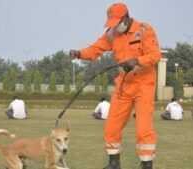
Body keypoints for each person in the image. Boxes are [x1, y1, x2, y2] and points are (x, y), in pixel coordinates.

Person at [69, 2, 161, 169]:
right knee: (111, 125)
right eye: (112, 23)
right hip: (124, 85)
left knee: (143, 127)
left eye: (117, 22)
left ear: (126, 17)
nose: (115, 26)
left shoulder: (144, 30)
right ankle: (114, 164)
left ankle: (147, 164)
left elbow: (155, 55)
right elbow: (96, 49)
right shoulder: (112, 34)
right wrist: (79, 53)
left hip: (144, 84)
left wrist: (137, 60)